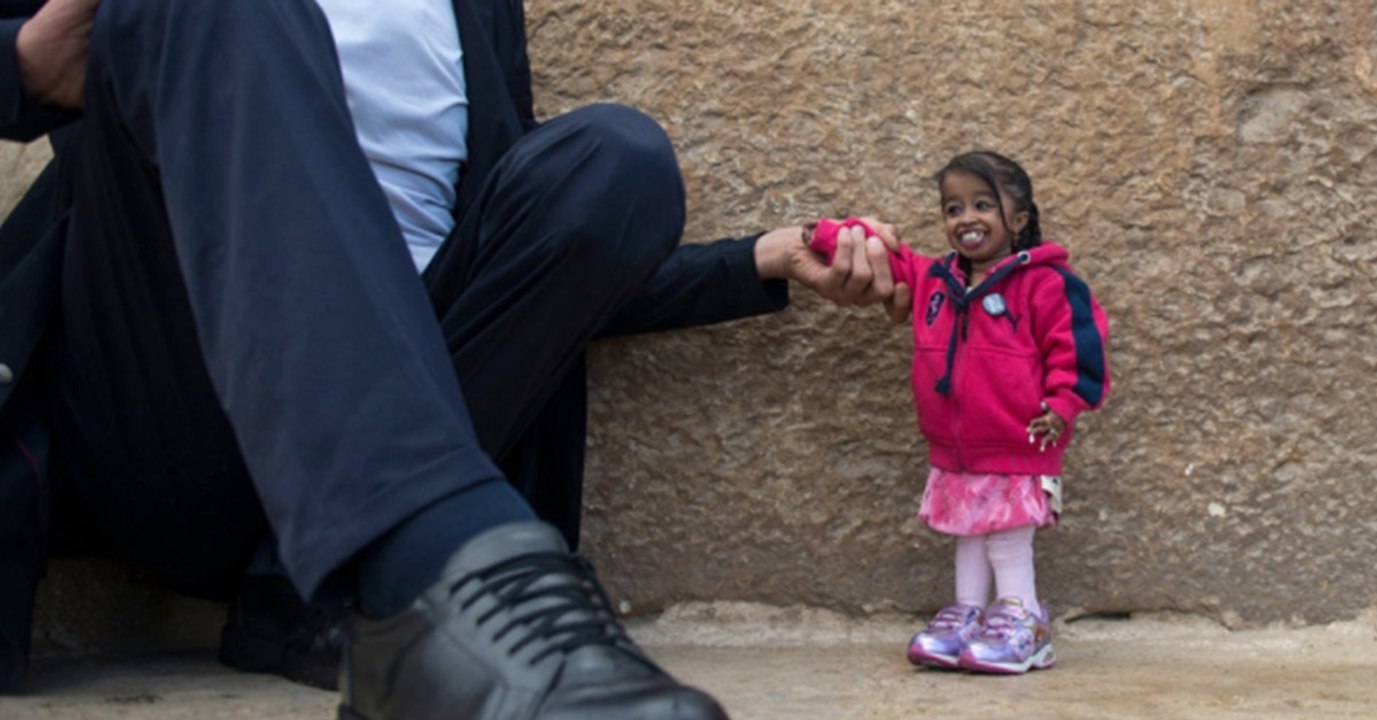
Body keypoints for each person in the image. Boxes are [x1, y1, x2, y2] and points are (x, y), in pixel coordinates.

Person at [0, 0, 911, 716]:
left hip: (380, 445)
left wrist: (756, 260)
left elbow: (516, 287)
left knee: (615, 159)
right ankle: (434, 574)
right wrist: (23, 69)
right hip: (170, 411)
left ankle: (355, 595)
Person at [808, 151, 1110, 675]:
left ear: (1017, 220)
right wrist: (828, 235)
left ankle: (1023, 619)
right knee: (969, 528)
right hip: (956, 444)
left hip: (1021, 440)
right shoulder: (935, 279)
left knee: (1008, 532)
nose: (966, 218)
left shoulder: (1047, 284)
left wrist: (1064, 405)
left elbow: (1080, 348)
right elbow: (885, 253)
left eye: (982, 205)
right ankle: (968, 615)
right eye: (953, 208)